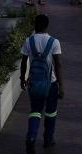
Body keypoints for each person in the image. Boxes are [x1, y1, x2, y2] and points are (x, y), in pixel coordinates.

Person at [20, 13, 63, 154]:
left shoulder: (28, 41)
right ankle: (48, 139)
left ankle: (31, 137)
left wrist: (22, 79)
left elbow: (24, 62)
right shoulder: (54, 42)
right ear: (47, 25)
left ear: (35, 25)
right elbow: (58, 65)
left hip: (34, 83)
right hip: (51, 84)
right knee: (50, 113)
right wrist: (61, 86)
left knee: (35, 112)